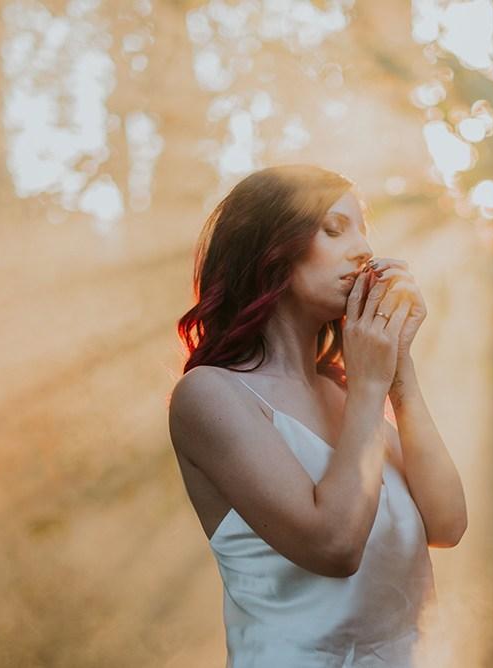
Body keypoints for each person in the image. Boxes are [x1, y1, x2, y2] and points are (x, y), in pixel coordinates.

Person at [168, 164, 467, 667]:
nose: (364, 250)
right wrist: (370, 386)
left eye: (362, 228)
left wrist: (399, 376)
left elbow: (448, 523)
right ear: (270, 250)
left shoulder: (349, 393)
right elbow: (334, 547)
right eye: (333, 229)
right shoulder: (211, 395)